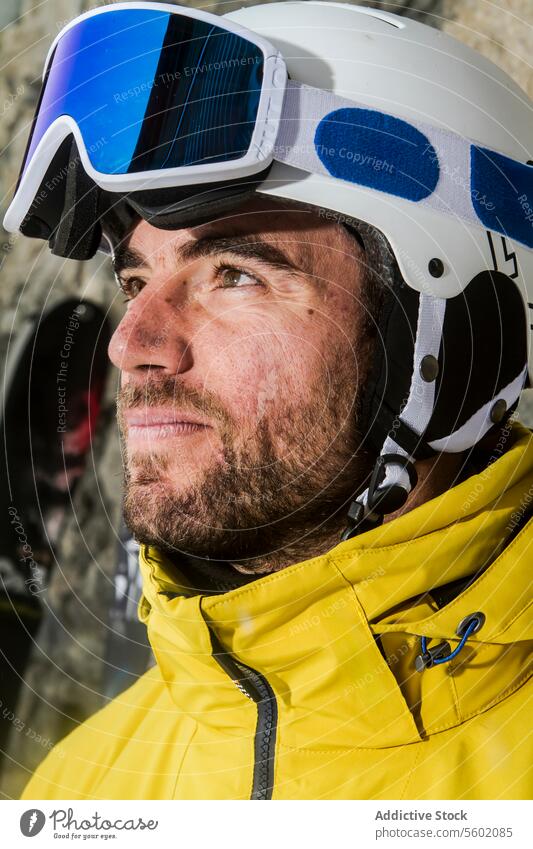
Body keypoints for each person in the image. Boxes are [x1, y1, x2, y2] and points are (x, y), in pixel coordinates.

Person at [4, 1, 532, 800]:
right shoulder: (80, 788)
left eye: (235, 275)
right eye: (136, 281)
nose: (131, 342)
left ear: (461, 341)